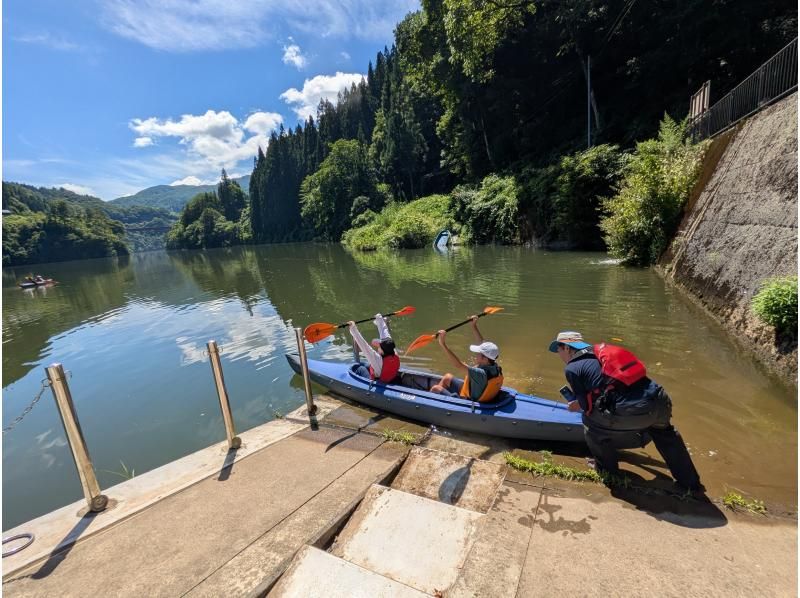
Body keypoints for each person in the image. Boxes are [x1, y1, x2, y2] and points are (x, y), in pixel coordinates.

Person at [549, 331, 703, 493]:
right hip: (659, 400)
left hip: (634, 411)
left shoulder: (573, 368)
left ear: (567, 348)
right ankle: (691, 483)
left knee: (590, 423)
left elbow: (586, 407)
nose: (559, 355)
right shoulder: (603, 354)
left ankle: (607, 472)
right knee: (665, 434)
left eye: (558, 350)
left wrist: (576, 405)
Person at [430, 316, 504, 403]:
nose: (476, 355)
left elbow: (458, 365)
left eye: (478, 354)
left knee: (436, 388)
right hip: (475, 392)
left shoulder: (480, 374)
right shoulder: (494, 365)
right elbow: (482, 343)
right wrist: (474, 326)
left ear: (485, 359)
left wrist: (443, 344)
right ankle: (440, 402)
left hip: (468, 401)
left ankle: (433, 404)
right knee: (447, 377)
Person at [348, 314, 400, 383]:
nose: (378, 346)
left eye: (379, 347)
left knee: (360, 368)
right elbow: (385, 334)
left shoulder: (377, 359)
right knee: (366, 364)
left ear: (383, 351)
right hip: (390, 377)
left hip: (380, 380)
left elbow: (364, 346)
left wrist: (353, 328)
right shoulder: (394, 351)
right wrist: (379, 318)